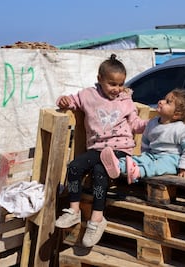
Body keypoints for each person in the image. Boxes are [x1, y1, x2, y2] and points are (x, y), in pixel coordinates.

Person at [54, 54, 147, 247]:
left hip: (120, 149)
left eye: (121, 84)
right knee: (73, 168)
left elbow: (136, 124)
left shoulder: (126, 100)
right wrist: (62, 101)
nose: (117, 89)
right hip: (97, 148)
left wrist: (154, 124)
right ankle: (74, 210)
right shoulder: (88, 95)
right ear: (99, 79)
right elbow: (71, 101)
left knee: (99, 172)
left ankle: (96, 219)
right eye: (112, 84)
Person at [100, 88, 185, 184]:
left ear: (176, 114)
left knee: (157, 166)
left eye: (167, 102)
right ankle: (118, 165)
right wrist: (145, 155)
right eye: (164, 99)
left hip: (171, 159)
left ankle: (138, 172)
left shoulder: (184, 129)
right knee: (137, 159)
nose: (161, 101)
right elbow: (146, 139)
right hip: (152, 155)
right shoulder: (153, 123)